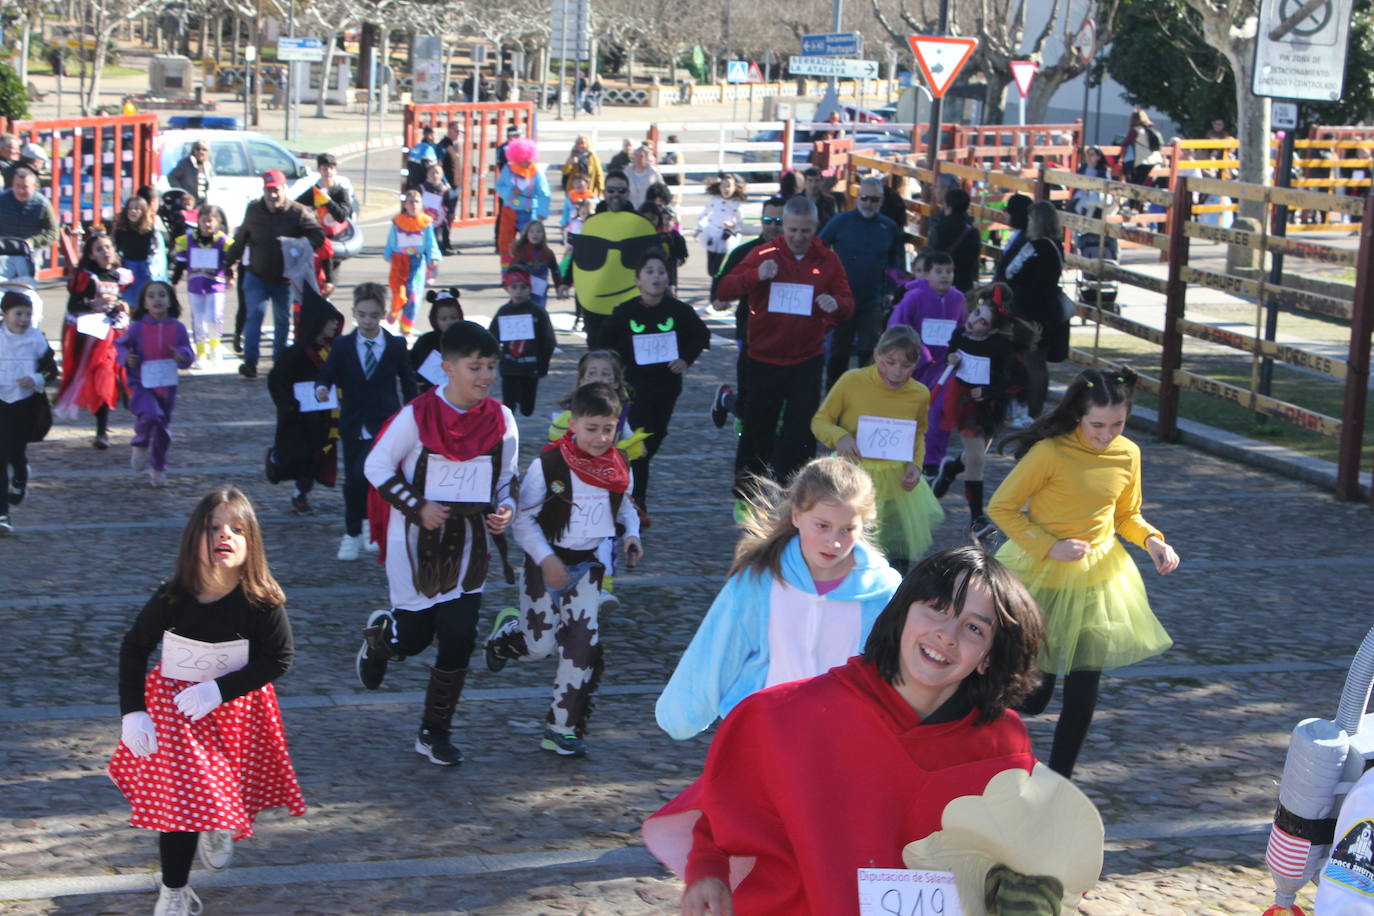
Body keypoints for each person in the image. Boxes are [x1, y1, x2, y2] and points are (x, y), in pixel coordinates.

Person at [645, 545, 1047, 915]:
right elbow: (724, 812)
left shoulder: (1002, 746)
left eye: (974, 628)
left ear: (988, 658)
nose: (947, 634)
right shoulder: (787, 716)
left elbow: (1013, 861)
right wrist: (709, 869)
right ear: (902, 611)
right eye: (936, 608)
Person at [109, 488, 305, 916]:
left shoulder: (262, 598)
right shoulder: (173, 595)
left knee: (215, 794)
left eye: (236, 529)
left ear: (251, 541)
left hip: (236, 711)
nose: (225, 536)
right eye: (214, 527)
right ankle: (174, 890)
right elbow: (133, 648)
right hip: (176, 711)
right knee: (182, 800)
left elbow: (280, 658)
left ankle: (217, 824)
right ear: (194, 536)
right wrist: (133, 712)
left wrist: (220, 690)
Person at [990, 367, 1179, 777]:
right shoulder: (1050, 453)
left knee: (1082, 691)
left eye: (1117, 424)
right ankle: (978, 730)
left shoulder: (1128, 454)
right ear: (1078, 413)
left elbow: (1127, 514)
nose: (1106, 434)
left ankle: (1060, 781)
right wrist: (1049, 546)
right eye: (1097, 424)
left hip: (1098, 581)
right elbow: (1001, 508)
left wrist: (1152, 540)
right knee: (1035, 698)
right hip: (1042, 580)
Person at [354, 320, 518, 766]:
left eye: (490, 367)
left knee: (460, 635)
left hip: (468, 545)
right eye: (474, 367)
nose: (484, 376)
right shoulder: (418, 416)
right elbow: (377, 466)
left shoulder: (502, 420)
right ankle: (381, 639)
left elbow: (505, 481)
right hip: (415, 544)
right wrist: (417, 505)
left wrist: (505, 511)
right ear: (447, 368)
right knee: (414, 638)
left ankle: (434, 730)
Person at [655, 456, 899, 739]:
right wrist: (682, 715)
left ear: (864, 524)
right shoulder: (759, 581)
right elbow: (718, 648)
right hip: (766, 737)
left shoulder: (885, 592)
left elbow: (896, 675)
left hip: (843, 743)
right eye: (822, 525)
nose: (833, 541)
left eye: (847, 529)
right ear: (797, 515)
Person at [485, 382, 645, 756]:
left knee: (580, 647)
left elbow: (625, 508)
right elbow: (523, 520)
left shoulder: (619, 466)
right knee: (538, 646)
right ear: (572, 424)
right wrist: (546, 559)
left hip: (587, 567)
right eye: (592, 428)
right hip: (545, 564)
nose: (601, 437)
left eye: (609, 429)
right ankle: (505, 638)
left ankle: (561, 728)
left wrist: (631, 536)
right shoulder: (548, 465)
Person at [716, 195, 854, 509]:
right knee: (756, 428)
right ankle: (746, 493)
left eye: (805, 231)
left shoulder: (828, 260)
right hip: (763, 358)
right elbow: (724, 289)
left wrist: (837, 305)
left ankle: (795, 495)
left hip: (806, 359)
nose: (798, 237)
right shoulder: (764, 253)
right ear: (784, 226)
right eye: (792, 230)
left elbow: (847, 303)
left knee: (801, 430)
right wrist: (755, 276)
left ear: (815, 227)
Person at [812, 325, 943, 571]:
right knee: (846, 546)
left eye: (906, 366)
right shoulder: (852, 381)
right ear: (876, 355)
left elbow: (918, 434)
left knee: (894, 555)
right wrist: (840, 437)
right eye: (890, 362)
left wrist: (916, 465)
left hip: (896, 484)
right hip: (851, 478)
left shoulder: (919, 393)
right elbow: (820, 421)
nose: (896, 372)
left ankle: (892, 604)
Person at [314, 282, 419, 561]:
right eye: (362, 314)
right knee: (353, 480)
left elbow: (407, 381)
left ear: (383, 314)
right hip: (352, 421)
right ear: (353, 313)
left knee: (377, 477)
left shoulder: (395, 345)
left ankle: (372, 527)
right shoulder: (343, 345)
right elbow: (327, 374)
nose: (368, 321)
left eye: (373, 315)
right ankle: (353, 531)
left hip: (385, 421)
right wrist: (321, 388)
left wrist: (415, 413)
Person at [605, 248, 710, 521]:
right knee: (638, 443)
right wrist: (615, 367)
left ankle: (629, 486)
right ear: (637, 279)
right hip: (635, 388)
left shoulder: (679, 310)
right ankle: (636, 503)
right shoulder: (625, 311)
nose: (656, 277)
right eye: (649, 272)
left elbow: (700, 335)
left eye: (661, 272)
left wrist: (686, 359)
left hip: (667, 387)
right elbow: (603, 340)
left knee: (655, 437)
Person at [938, 285, 1021, 539]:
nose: (974, 321)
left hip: (989, 404)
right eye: (975, 314)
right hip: (964, 402)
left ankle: (951, 469)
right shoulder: (960, 335)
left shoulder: (1000, 346)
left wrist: (989, 392)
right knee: (977, 460)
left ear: (993, 328)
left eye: (982, 320)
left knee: (977, 453)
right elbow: (951, 353)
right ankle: (976, 518)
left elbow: (1011, 380)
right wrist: (951, 358)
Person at [229, 170, 325, 379]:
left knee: (282, 321)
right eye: (269, 190)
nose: (273, 195)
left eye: (277, 190)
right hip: (256, 275)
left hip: (284, 279)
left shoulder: (298, 212)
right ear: (264, 190)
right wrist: (228, 262)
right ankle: (250, 362)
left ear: (284, 189)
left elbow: (318, 234)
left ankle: (279, 363)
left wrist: (301, 245)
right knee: (254, 316)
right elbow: (242, 238)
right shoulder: (254, 210)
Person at [818, 175, 904, 391]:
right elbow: (818, 248)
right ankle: (833, 395)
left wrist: (891, 289)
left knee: (870, 351)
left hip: (872, 299)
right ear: (857, 197)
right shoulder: (842, 221)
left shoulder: (889, 227)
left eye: (874, 200)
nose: (868, 204)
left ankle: (865, 395)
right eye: (864, 198)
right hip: (842, 298)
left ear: (881, 200)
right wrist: (824, 278)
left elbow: (896, 262)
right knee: (839, 353)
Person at [706, 196, 785, 431]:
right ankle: (727, 399)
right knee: (750, 401)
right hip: (750, 332)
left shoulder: (798, 254)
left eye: (779, 220)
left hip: (787, 336)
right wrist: (723, 298)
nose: (773, 226)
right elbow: (719, 287)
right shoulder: (745, 252)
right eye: (768, 220)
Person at [265, 286, 344, 516]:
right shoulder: (296, 354)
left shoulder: (335, 350)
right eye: (330, 322)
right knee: (303, 457)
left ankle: (302, 491)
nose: (334, 326)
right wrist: (288, 404)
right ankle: (299, 492)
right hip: (300, 418)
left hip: (326, 417)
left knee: (319, 456)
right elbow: (275, 380)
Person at [888, 250, 964, 479]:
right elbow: (897, 327)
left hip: (944, 368)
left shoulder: (958, 299)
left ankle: (932, 460)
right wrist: (912, 354)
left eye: (949, 272)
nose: (944, 276)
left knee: (940, 411)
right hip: (915, 367)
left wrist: (959, 354)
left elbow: (963, 330)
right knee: (911, 410)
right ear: (927, 274)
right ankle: (900, 454)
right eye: (938, 271)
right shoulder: (914, 298)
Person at [56, 232, 130, 448]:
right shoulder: (86, 278)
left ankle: (106, 428)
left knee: (112, 377)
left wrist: (121, 306)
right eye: (99, 249)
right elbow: (73, 306)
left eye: (108, 247)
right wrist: (93, 304)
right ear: (91, 254)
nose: (105, 252)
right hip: (92, 337)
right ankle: (101, 430)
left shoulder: (119, 276)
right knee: (96, 378)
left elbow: (119, 299)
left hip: (114, 335)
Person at [116, 281, 194, 487]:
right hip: (141, 382)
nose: (157, 300)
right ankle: (140, 443)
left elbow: (188, 351)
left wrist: (182, 356)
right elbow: (121, 346)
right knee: (150, 414)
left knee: (163, 428)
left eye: (162, 295)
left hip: (167, 384)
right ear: (144, 302)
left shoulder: (177, 328)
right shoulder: (137, 328)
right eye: (151, 296)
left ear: (170, 300)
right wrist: (127, 357)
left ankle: (158, 467)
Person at [0, 290, 57, 536]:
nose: (23, 319)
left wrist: (35, 378)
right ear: (4, 315)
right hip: (1, 401)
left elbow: (51, 371)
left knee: (16, 452)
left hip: (24, 403)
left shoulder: (36, 339)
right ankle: (3, 515)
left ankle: (21, 476)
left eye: (28, 314)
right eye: (18, 314)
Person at [1004, 200, 1067, 420]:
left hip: (1029, 310)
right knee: (1040, 365)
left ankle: (1028, 411)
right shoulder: (1056, 245)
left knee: (1029, 362)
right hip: (1049, 310)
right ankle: (1036, 411)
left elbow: (1011, 272)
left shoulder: (1035, 246)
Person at [171, 204, 232, 368]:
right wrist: (174, 281)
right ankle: (201, 352)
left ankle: (214, 348)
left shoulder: (223, 241)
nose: (207, 225)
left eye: (210, 221)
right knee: (198, 319)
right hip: (196, 284)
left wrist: (230, 275)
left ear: (217, 222)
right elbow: (180, 264)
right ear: (198, 221)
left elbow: (230, 261)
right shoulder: (188, 240)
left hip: (216, 284)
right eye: (204, 221)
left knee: (214, 317)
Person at [489, 270, 557, 417]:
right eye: (514, 287)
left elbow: (548, 340)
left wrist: (543, 365)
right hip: (509, 365)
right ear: (507, 289)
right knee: (508, 408)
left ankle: (523, 401)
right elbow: (491, 337)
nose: (518, 292)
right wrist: (495, 356)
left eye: (523, 287)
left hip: (530, 367)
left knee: (527, 409)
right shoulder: (504, 311)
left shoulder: (537, 312)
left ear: (530, 289)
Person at [382, 189, 443, 337]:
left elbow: (430, 242)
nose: (414, 205)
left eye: (417, 202)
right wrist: (388, 253)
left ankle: (406, 327)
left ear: (421, 204)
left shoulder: (426, 223)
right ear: (405, 205)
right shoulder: (398, 223)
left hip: (417, 262)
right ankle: (395, 309)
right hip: (400, 261)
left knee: (414, 294)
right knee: (399, 292)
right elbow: (392, 240)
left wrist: (432, 257)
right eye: (411, 202)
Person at [296, 153, 355, 296]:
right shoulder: (312, 192)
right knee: (314, 284)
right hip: (317, 244)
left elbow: (342, 216)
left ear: (335, 170)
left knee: (330, 284)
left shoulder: (341, 192)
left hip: (334, 243)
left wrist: (327, 201)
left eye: (331, 168)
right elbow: (297, 208)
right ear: (319, 170)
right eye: (324, 168)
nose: (328, 172)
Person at [495, 138, 550, 269]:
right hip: (509, 211)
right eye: (523, 160)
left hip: (529, 211)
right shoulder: (508, 170)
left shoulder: (536, 173)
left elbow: (544, 193)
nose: (527, 162)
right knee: (505, 242)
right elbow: (499, 186)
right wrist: (509, 191)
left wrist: (541, 213)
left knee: (531, 242)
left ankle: (531, 271)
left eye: (529, 159)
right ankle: (508, 273)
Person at [0, 169, 58, 281]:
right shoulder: (2, 200)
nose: (20, 190)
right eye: (17, 186)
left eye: (25, 187)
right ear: (12, 184)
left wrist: (33, 241)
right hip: (3, 251)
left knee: (26, 289)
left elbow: (53, 232)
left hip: (30, 252)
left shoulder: (42, 204)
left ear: (34, 186)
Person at [113, 194, 167, 309]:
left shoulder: (150, 230)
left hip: (145, 268)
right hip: (127, 268)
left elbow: (156, 250)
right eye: (130, 208)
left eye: (137, 209)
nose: (133, 211)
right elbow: (116, 248)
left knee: (146, 301)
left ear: (144, 211)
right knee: (128, 301)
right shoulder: (121, 229)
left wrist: (154, 268)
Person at [409, 287, 464, 394]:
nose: (449, 322)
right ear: (435, 320)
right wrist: (415, 380)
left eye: (453, 317)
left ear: (460, 316)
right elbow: (411, 363)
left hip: (461, 394)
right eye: (443, 319)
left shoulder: (468, 339)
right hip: (430, 394)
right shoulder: (426, 342)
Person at [928, 187, 981, 293]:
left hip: (941, 284)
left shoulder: (938, 229)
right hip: (964, 285)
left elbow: (930, 257)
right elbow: (975, 262)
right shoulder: (974, 232)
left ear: (948, 206)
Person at [695, 173, 746, 278]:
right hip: (712, 234)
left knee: (719, 269)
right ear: (719, 187)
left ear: (734, 188)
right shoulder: (714, 200)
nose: (726, 189)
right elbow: (704, 214)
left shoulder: (736, 204)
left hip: (726, 237)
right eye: (723, 186)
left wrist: (732, 226)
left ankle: (719, 286)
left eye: (729, 186)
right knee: (710, 269)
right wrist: (699, 228)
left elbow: (741, 223)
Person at [507, 219, 565, 308]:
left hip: (540, 291)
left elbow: (555, 271)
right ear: (526, 234)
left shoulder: (548, 253)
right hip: (522, 290)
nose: (535, 234)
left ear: (543, 235)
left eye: (538, 232)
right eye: (531, 231)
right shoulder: (521, 251)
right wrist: (508, 285)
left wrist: (559, 287)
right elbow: (511, 270)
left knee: (538, 312)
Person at [1120, 109, 1164, 199]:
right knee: (1141, 185)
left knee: (1135, 185)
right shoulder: (1150, 129)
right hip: (1154, 159)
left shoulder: (1135, 130)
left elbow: (1125, 143)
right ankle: (1135, 207)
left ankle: (1133, 207)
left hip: (1142, 160)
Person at [625, 144, 663, 209]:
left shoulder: (653, 172)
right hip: (631, 208)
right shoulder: (627, 171)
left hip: (648, 209)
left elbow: (662, 190)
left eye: (641, 156)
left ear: (647, 157)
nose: (638, 159)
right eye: (636, 156)